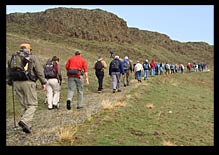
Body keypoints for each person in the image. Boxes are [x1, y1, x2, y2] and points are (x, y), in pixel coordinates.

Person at [8, 43, 46, 133]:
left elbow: (8, 70)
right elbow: (39, 71)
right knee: (33, 104)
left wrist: (10, 81)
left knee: (23, 104)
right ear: (28, 49)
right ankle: (24, 121)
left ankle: (27, 126)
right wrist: (43, 82)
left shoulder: (13, 58)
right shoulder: (32, 57)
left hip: (16, 83)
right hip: (28, 82)